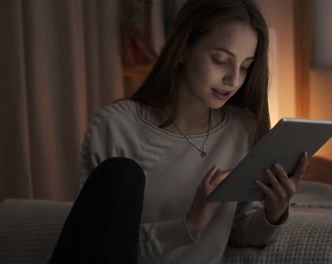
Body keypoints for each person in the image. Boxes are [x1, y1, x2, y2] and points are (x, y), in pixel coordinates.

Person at [48, 0, 307, 263]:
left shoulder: (242, 129)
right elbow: (95, 244)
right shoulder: (113, 127)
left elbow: (241, 230)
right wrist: (188, 226)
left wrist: (273, 214)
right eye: (220, 60)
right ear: (182, 48)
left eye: (244, 66)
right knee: (123, 174)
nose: (233, 80)